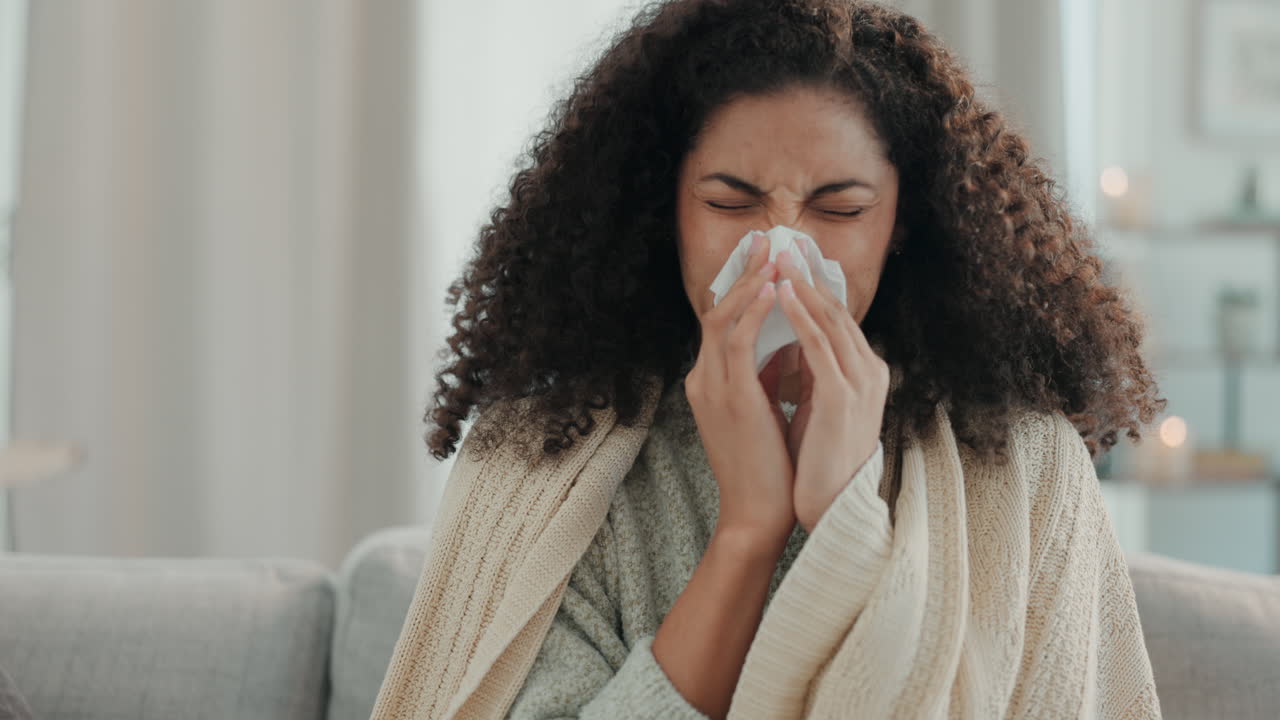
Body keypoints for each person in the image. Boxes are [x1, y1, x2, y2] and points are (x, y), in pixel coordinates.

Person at [371, 0, 1167, 718]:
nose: (783, 253)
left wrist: (843, 519)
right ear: (662, 211)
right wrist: (749, 531)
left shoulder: (1023, 462)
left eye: (840, 208)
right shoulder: (545, 458)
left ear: (901, 224)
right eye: (729, 202)